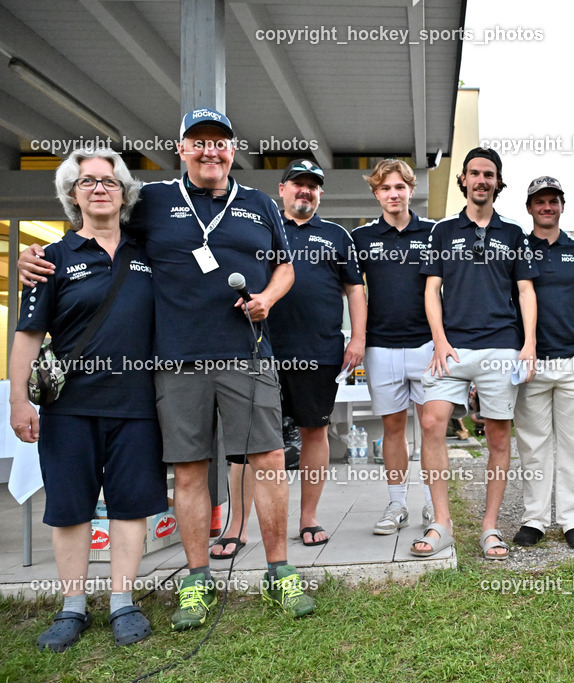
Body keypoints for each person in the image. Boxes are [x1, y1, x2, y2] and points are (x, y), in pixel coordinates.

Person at [19, 108, 316, 625]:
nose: (209, 151)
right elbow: (98, 227)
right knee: (189, 470)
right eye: (198, 141)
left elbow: (285, 267)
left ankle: (279, 571)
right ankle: (197, 580)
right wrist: (36, 256)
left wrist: (267, 297)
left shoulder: (260, 204)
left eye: (219, 142)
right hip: (176, 361)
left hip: (247, 354)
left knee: (268, 459)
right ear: (181, 149)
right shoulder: (152, 200)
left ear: (232, 150)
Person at [10, 148, 166, 651]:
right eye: (87, 182)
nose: (99, 188)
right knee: (70, 508)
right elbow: (28, 334)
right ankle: (72, 607)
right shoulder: (50, 259)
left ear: (124, 193)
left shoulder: (149, 254)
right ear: (72, 196)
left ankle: (123, 601)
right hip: (69, 407)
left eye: (109, 181)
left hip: (138, 405)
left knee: (129, 506)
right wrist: (18, 400)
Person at [209, 159, 366, 557]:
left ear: (320, 194)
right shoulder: (260, 228)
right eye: (298, 183)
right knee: (248, 441)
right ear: (282, 190)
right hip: (259, 350)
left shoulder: (337, 236)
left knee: (315, 431)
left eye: (313, 185)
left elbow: (354, 289)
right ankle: (237, 527)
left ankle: (308, 518)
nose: (305, 190)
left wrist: (358, 339)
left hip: (318, 351)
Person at [411, 147, 538, 560]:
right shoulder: (443, 230)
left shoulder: (513, 233)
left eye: (489, 174)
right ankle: (442, 523)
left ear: (497, 182)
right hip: (452, 347)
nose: (481, 180)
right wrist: (439, 339)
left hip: (502, 346)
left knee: (498, 437)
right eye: (475, 173)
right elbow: (431, 289)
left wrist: (529, 345)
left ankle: (489, 527)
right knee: (432, 422)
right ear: (463, 179)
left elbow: (525, 292)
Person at [512, 176, 574, 549]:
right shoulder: (518, 249)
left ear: (562, 206)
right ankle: (534, 519)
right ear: (529, 208)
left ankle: (573, 519)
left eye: (553, 200)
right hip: (531, 362)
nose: (547, 206)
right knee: (533, 446)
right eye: (540, 201)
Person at [352, 159, 435, 535]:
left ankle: (434, 504)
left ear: (411, 190)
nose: (393, 194)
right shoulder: (362, 238)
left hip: (427, 345)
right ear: (376, 194)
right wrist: (357, 338)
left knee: (431, 427)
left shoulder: (433, 233)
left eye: (400, 186)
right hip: (381, 347)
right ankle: (397, 504)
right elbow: (353, 291)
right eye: (385, 188)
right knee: (393, 428)